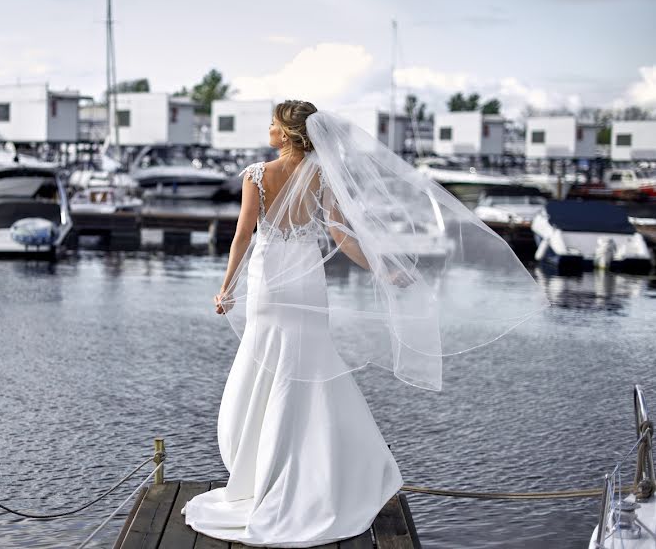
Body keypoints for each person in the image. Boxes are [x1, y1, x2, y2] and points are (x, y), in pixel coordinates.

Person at [181, 100, 549, 546]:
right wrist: (383, 269)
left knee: (265, 367)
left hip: (266, 284)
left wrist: (227, 289)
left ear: (287, 133)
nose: (270, 130)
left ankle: (260, 471)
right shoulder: (320, 174)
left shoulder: (256, 175)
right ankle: (317, 474)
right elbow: (341, 235)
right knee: (308, 372)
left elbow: (242, 235)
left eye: (274, 124)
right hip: (304, 281)